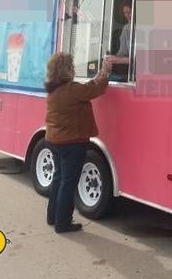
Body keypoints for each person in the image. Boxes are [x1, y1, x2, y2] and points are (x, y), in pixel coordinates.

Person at [44, 52, 111, 233]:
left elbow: (84, 90)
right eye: (72, 66)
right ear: (66, 70)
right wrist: (105, 73)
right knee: (68, 183)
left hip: (54, 141)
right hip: (71, 143)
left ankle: (53, 217)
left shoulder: (55, 90)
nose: (74, 69)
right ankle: (63, 224)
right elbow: (92, 91)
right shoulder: (71, 89)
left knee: (58, 179)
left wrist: (97, 77)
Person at [104, 0, 132, 80]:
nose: (127, 16)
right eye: (125, 13)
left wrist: (119, 60)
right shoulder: (127, 28)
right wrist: (112, 58)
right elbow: (122, 52)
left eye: (129, 12)